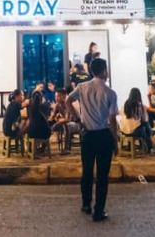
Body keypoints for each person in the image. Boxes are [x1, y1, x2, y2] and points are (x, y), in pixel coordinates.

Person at [66, 58, 118, 223]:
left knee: (87, 172)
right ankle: (98, 211)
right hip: (104, 136)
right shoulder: (110, 92)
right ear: (104, 71)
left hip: (87, 135)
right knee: (102, 175)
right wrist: (115, 141)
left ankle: (86, 204)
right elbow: (112, 120)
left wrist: (77, 118)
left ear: (92, 71)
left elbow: (68, 101)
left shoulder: (82, 87)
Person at [119, 88, 152, 152]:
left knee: (139, 126)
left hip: (124, 132)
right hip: (135, 132)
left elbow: (120, 115)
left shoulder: (124, 105)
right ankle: (148, 146)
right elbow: (144, 119)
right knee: (145, 125)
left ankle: (131, 146)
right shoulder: (140, 106)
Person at [51, 88, 80, 154]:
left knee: (66, 125)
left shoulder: (68, 103)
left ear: (63, 96)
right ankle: (44, 146)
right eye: (55, 96)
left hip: (76, 123)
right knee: (48, 125)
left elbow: (68, 119)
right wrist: (49, 121)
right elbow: (52, 117)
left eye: (58, 96)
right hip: (65, 123)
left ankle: (66, 149)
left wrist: (58, 121)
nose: (56, 98)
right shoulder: (58, 105)